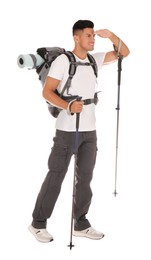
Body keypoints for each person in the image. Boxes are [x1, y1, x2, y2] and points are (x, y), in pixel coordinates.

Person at [28, 20, 130, 243]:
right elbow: (47, 92)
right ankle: (38, 224)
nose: (93, 39)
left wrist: (111, 35)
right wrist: (67, 105)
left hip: (89, 131)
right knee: (56, 176)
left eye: (94, 35)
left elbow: (124, 52)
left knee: (85, 178)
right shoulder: (64, 61)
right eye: (89, 36)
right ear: (76, 37)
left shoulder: (95, 60)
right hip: (67, 130)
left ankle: (81, 224)